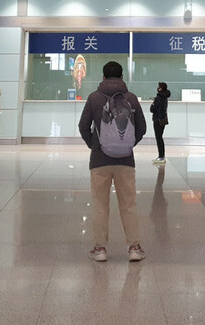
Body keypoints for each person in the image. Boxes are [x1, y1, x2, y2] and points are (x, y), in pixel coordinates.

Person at [78, 60, 147, 263]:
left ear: (103, 76)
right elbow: (142, 127)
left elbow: (83, 126)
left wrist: (94, 144)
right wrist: (128, 145)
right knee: (129, 204)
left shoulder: (94, 98)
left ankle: (100, 249)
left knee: (100, 204)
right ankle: (134, 248)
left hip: (99, 160)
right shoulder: (131, 99)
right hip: (126, 161)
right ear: (122, 77)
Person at [149, 81, 171, 164]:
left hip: (157, 119)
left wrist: (152, 105)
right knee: (160, 137)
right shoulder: (165, 97)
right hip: (163, 119)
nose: (158, 88)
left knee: (158, 138)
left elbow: (153, 109)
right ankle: (161, 155)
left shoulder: (159, 98)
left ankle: (161, 156)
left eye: (159, 87)